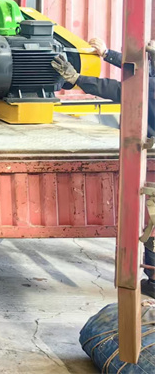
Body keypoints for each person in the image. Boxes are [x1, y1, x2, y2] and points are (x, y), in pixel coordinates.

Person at [51, 37, 155, 297]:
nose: (148, 61)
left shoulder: (151, 86)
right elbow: (138, 69)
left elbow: (122, 89)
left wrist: (78, 79)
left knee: (152, 223)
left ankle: (153, 281)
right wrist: (107, 53)